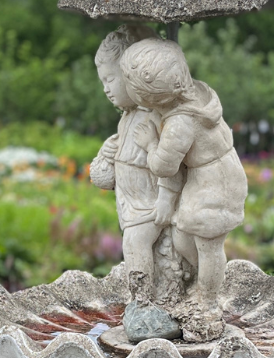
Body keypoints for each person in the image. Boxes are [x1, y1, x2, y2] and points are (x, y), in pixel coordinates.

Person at [121, 37, 248, 341]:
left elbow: (164, 165)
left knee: (208, 245)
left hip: (215, 184)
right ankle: (201, 282)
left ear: (154, 97)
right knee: (182, 237)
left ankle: (207, 298)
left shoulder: (180, 124)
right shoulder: (197, 93)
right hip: (210, 177)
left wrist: (150, 141)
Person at [89, 24, 180, 301]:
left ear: (133, 75)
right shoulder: (127, 118)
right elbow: (105, 179)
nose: (106, 89)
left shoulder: (157, 116)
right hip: (130, 206)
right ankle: (144, 298)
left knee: (135, 243)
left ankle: (143, 302)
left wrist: (166, 197)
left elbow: (174, 161)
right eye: (102, 81)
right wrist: (104, 157)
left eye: (110, 79)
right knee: (133, 246)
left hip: (150, 204)